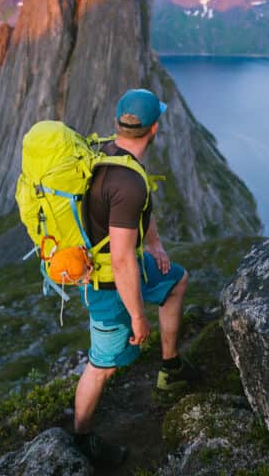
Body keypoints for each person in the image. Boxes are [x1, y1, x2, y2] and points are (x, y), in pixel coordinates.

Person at [72, 88, 199, 467]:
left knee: (176, 281)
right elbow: (125, 259)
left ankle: (171, 368)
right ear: (154, 128)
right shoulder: (128, 183)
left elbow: (139, 213)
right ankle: (81, 439)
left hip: (121, 272)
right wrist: (139, 316)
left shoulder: (112, 153)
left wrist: (156, 245)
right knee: (102, 366)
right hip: (108, 286)